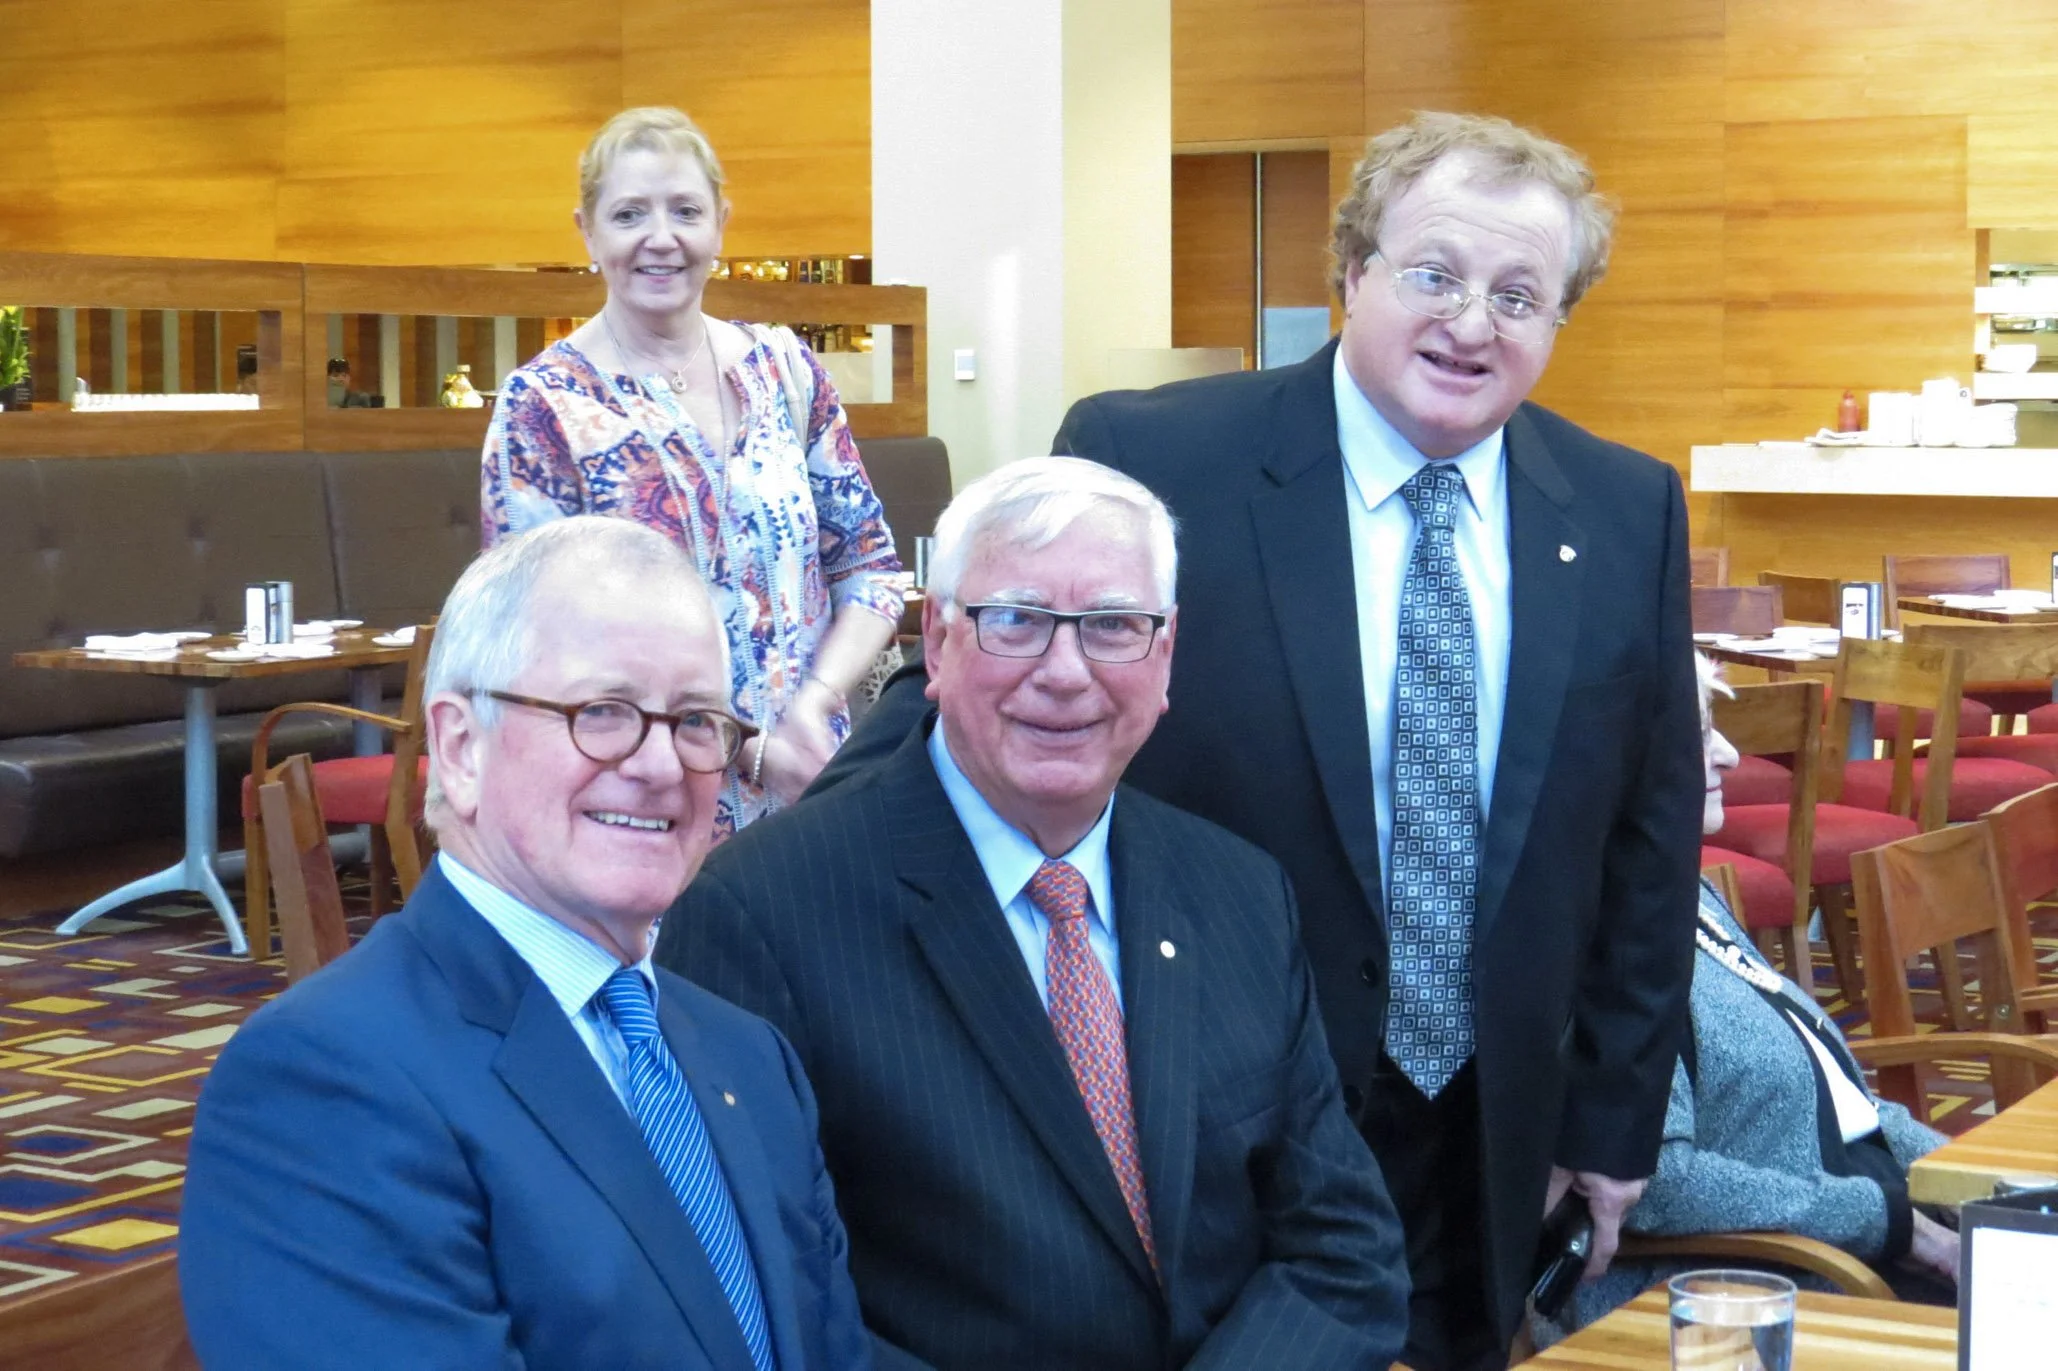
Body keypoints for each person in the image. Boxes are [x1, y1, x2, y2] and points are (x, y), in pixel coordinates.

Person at [827, 111, 1701, 1370]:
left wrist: (1618, 1119)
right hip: (1207, 1114)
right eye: (1435, 275)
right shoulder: (1156, 454)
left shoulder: (1627, 509)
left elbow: (1650, 832)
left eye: (1522, 295)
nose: (1472, 324)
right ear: (1350, 273)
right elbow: (979, 695)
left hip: (1494, 1129)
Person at [659, 457, 1411, 1370]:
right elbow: (762, 1307)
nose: (1066, 671)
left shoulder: (1240, 892)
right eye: (1015, 620)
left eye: (1111, 626)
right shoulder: (756, 916)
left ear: (1165, 654)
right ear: (936, 643)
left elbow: (1345, 1253)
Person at [179, 517, 872, 1370]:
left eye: (695, 721)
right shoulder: (324, 1081)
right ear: (461, 747)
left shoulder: (749, 1058)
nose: (661, 765)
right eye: (603, 712)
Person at [482, 105, 902, 839]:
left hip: (814, 790)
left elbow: (870, 567)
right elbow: (541, 641)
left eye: (685, 211)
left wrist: (814, 703)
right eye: (628, 214)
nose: (661, 238)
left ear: (721, 224)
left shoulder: (786, 372)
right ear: (586, 230)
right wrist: (750, 747)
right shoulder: (544, 406)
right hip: (639, 799)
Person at [1549, 655, 1957, 1338]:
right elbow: (1658, 1183)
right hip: (1763, 1289)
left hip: (1858, 1241)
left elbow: (1852, 1109)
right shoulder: (1594, 937)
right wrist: (1896, 1223)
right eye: (1704, 731)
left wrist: (1986, 1190)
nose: (1732, 754)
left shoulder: (1685, 890)